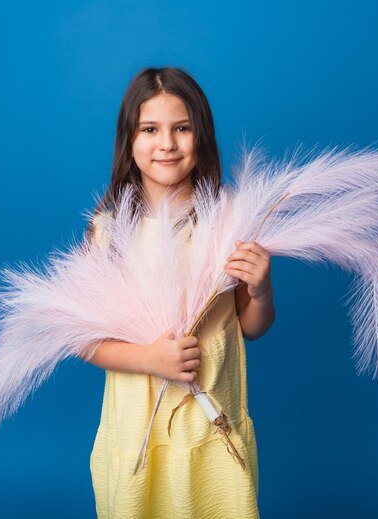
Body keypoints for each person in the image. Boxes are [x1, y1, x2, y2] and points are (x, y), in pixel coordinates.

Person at [80, 67, 275, 518]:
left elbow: (251, 326)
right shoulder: (108, 234)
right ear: (129, 141)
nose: (167, 143)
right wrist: (149, 359)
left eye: (181, 128)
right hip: (138, 436)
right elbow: (86, 341)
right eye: (150, 129)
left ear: (200, 136)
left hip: (210, 433)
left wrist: (261, 290)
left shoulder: (229, 224)